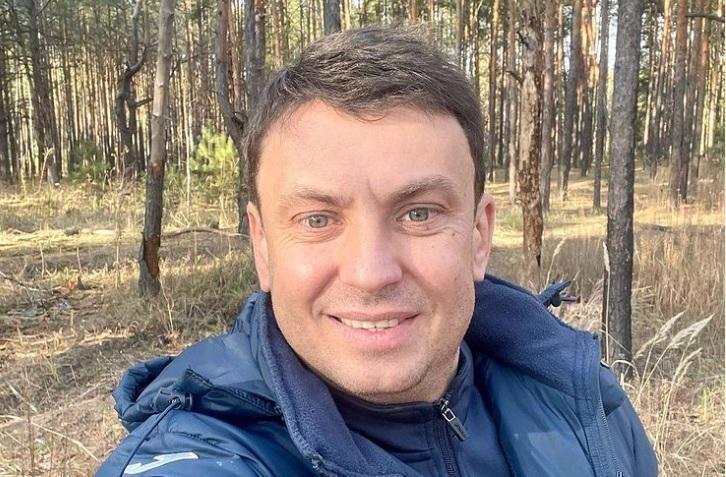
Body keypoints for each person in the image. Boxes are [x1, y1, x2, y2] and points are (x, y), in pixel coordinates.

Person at [97, 26, 657, 477]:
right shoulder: (205, 454)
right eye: (318, 220)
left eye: (419, 214)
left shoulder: (584, 406)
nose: (370, 273)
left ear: (479, 236)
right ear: (262, 246)